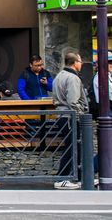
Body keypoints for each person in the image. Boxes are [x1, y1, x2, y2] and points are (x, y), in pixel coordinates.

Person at [52, 52, 87, 190]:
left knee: (72, 146)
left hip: (62, 116)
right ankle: (63, 177)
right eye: (80, 61)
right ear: (74, 62)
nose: (82, 63)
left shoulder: (59, 76)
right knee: (72, 147)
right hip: (70, 117)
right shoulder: (73, 78)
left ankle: (74, 176)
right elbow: (73, 101)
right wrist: (82, 112)